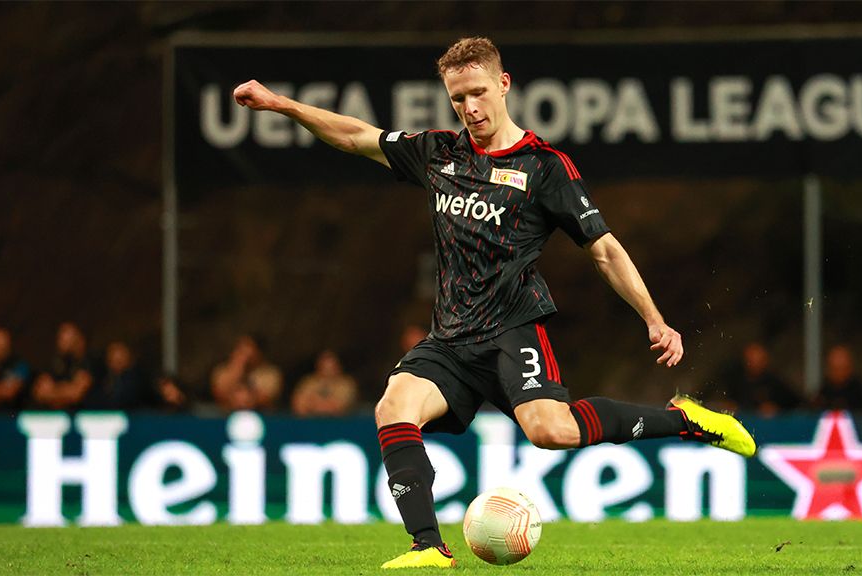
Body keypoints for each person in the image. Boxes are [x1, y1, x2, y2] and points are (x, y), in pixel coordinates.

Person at [233, 37, 756, 569]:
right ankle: (428, 547)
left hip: (513, 330)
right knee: (393, 407)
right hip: (450, 338)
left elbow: (603, 249)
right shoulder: (438, 152)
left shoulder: (545, 167)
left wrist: (654, 319)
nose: (470, 107)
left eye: (478, 92)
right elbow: (354, 136)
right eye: (458, 98)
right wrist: (281, 104)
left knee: (550, 431)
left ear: (504, 84)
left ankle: (686, 420)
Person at [718, 342, 803, 417]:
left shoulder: (775, 383)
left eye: (757, 359)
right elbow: (729, 403)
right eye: (750, 359)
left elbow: (796, 404)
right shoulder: (735, 381)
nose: (753, 363)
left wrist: (778, 410)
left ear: (765, 360)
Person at [31, 322, 97, 411]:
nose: (61, 341)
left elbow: (76, 395)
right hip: (55, 416)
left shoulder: (89, 362)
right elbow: (39, 393)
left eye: (67, 337)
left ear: (79, 339)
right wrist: (66, 390)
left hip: (84, 416)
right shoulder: (54, 362)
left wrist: (53, 391)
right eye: (60, 337)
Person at [210, 333, 283, 413]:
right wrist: (238, 365)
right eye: (241, 349)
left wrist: (247, 398)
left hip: (262, 416)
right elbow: (219, 393)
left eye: (250, 349)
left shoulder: (270, 373)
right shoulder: (222, 370)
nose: (247, 354)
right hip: (225, 415)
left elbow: (267, 398)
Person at [291, 349, 359, 417]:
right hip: (311, 422)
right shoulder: (309, 382)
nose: (327, 371)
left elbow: (335, 408)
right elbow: (298, 405)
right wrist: (322, 404)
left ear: (338, 367)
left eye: (331, 367)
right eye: (324, 367)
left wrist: (312, 402)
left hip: (339, 423)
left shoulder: (346, 384)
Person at [81, 341, 145, 410]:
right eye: (113, 357)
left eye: (120, 358)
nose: (117, 361)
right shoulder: (100, 377)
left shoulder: (136, 380)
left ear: (129, 358)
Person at [812, 344, 862, 412]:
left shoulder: (858, 392)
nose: (839, 373)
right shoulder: (823, 393)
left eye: (843, 368)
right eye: (835, 369)